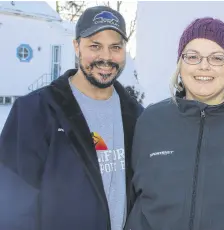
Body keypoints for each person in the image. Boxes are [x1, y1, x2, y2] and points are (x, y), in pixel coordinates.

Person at [123, 17, 224, 230]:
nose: (204, 66)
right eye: (192, 57)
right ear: (180, 64)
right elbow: (131, 197)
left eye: (217, 58)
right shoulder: (149, 121)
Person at [0, 6, 144, 230]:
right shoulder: (35, 112)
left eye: (115, 47)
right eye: (94, 46)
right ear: (77, 46)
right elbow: (11, 208)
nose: (106, 57)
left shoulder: (136, 116)